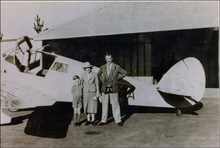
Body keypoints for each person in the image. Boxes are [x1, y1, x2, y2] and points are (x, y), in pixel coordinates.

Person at [98, 52, 127, 127]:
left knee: (115, 104)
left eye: (109, 58)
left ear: (112, 59)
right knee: (104, 104)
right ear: (105, 59)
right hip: (105, 88)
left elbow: (125, 73)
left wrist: (117, 79)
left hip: (113, 87)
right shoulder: (102, 67)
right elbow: (98, 74)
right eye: (107, 59)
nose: (108, 60)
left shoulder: (116, 67)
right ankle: (103, 120)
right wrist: (102, 80)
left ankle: (118, 120)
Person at [81, 62, 100, 126]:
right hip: (85, 92)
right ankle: (88, 120)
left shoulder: (95, 74)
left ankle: (93, 120)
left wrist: (97, 92)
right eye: (86, 68)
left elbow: (97, 83)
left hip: (93, 92)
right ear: (85, 69)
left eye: (89, 68)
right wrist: (80, 92)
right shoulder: (83, 75)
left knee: (93, 106)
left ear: (91, 68)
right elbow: (81, 84)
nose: (88, 69)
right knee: (86, 106)